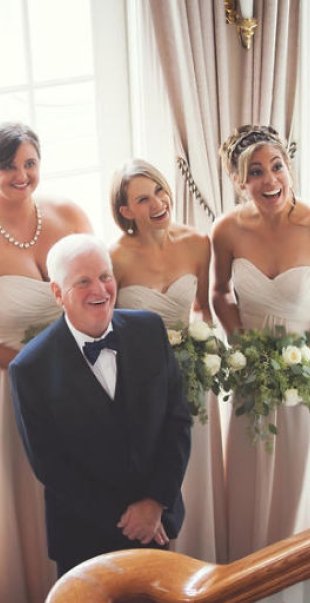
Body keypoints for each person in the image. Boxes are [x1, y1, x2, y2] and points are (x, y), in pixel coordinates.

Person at [0, 121, 93, 603]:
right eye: (8, 165)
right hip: (9, 383)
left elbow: (99, 286)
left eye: (30, 163)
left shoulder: (68, 214)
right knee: (27, 491)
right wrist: (32, 366)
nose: (22, 175)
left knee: (86, 477)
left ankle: (92, 587)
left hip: (77, 374)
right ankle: (35, 601)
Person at [8, 233, 191, 603]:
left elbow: (177, 421)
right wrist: (129, 519)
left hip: (156, 519)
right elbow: (50, 467)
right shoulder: (30, 369)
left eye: (105, 276)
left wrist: (156, 501)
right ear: (58, 293)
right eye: (83, 281)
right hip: (84, 530)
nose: (100, 290)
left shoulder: (149, 329)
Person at [212, 125, 310, 561]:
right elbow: (220, 293)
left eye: (276, 167)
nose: (269, 180)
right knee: (253, 460)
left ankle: (307, 564)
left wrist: (304, 354)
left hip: (306, 364)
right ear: (239, 181)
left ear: (289, 168)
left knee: (300, 461)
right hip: (252, 365)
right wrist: (243, 347)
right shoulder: (226, 230)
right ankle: (254, 566)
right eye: (255, 172)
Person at [109, 159, 228, 564]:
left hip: (193, 377)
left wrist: (205, 352)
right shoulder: (114, 258)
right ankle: (163, 563)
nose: (159, 202)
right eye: (143, 199)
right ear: (126, 211)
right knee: (156, 468)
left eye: (160, 190)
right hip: (140, 386)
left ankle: (204, 558)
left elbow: (202, 310)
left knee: (195, 469)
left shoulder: (198, 243)